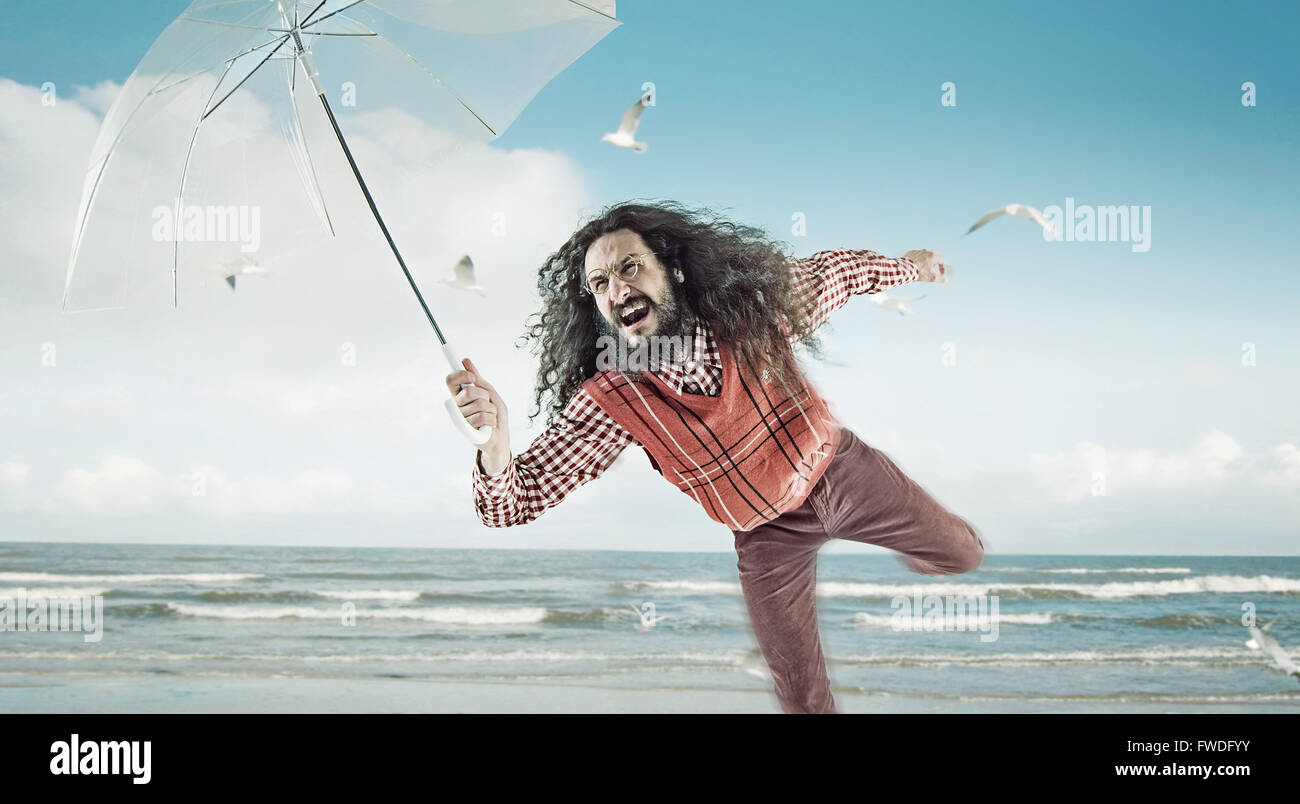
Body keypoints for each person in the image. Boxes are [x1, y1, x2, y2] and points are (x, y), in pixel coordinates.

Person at [445, 201, 985, 713]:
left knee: (964, 555)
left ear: (673, 270)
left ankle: (915, 551)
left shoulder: (757, 311)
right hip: (766, 537)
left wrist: (907, 268)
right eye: (600, 284)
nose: (617, 289)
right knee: (802, 697)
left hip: (843, 473)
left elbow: (839, 272)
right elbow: (510, 504)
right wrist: (495, 444)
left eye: (631, 267)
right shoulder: (613, 401)